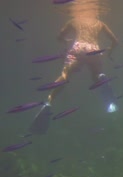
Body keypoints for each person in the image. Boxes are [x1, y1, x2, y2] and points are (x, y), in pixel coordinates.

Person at [30, 5, 118, 134]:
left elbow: (60, 35)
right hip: (94, 50)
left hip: (78, 49)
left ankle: (49, 102)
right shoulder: (100, 23)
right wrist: (110, 52)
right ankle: (107, 95)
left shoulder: (74, 21)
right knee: (97, 77)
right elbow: (115, 41)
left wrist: (65, 40)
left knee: (65, 75)